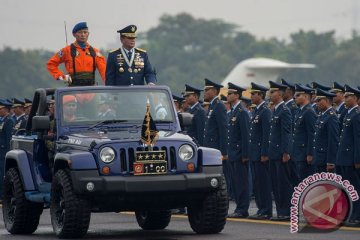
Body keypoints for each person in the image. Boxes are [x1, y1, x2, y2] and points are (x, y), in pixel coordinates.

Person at [47, 22, 106, 86]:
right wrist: (61, 76)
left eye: (85, 32)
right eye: (80, 32)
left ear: (88, 34)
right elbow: (51, 64)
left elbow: (104, 71)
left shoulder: (95, 52)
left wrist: (107, 83)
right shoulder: (67, 50)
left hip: (90, 90)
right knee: (67, 97)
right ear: (74, 34)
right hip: (73, 89)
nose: (83, 35)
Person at [267, 81, 293, 221]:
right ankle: (280, 211)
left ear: (280, 94)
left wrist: (285, 152)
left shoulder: (284, 110)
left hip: (280, 154)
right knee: (276, 184)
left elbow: (286, 133)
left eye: (273, 92)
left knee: (283, 184)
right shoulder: (276, 110)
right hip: (274, 153)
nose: (270, 95)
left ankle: (286, 211)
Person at [247, 82, 272, 220]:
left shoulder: (265, 111)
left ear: (260, 95)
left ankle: (266, 209)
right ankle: (261, 208)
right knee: (257, 183)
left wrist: (264, 153)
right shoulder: (257, 110)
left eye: (253, 94)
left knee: (263, 183)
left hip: (260, 155)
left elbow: (266, 134)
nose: (250, 96)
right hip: (254, 153)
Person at [336, 85, 360, 227]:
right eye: (344, 97)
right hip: (344, 158)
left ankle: (357, 215)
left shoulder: (357, 115)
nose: (345, 99)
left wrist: (357, 159)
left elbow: (358, 139)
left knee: (354, 188)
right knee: (347, 188)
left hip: (351, 159)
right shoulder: (349, 113)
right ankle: (350, 213)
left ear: (356, 99)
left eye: (348, 97)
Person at [226, 82, 250, 219]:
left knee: (242, 183)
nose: (228, 96)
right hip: (233, 153)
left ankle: (243, 209)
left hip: (240, 154)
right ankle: (239, 207)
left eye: (230, 94)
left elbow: (245, 135)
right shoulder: (233, 111)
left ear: (237, 95)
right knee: (236, 183)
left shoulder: (242, 112)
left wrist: (245, 154)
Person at [292, 84, 317, 180]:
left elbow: (312, 134)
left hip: (304, 154)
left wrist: (310, 153)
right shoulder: (301, 111)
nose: (295, 97)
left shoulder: (309, 112)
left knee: (306, 182)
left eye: (298, 95)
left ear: (306, 96)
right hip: (298, 153)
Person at [313, 88, 339, 173]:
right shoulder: (322, 115)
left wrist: (331, 161)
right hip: (319, 158)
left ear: (327, 100)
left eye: (319, 100)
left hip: (325, 160)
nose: (316, 103)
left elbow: (333, 141)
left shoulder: (331, 117)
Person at [0, 99, 14, 202]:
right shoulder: (2, 120)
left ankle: (3, 197)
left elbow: (9, 138)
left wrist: (8, 153)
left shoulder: (9, 121)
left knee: (3, 175)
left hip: (4, 152)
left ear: (5, 109)